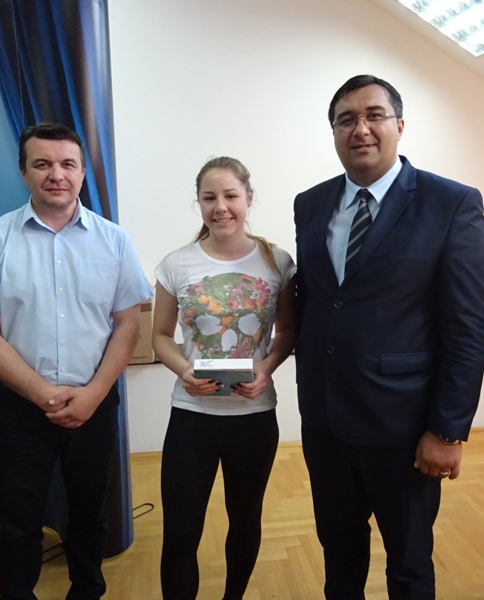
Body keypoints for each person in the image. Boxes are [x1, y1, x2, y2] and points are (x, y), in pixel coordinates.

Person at [293, 74, 484, 599]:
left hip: (404, 429)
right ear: (334, 132)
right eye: (346, 119)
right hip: (325, 422)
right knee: (339, 557)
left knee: (408, 565)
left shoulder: (450, 203)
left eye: (374, 115)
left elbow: (467, 328)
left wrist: (447, 431)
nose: (360, 129)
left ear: (399, 125)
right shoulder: (310, 204)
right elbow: (315, 301)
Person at [0, 122, 153, 600]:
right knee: (19, 523)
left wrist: (93, 394)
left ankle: (87, 592)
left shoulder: (114, 240)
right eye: (42, 164)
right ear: (24, 172)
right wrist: (44, 395)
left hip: (94, 403)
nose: (56, 174)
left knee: (91, 514)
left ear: (81, 172)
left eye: (67, 164)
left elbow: (128, 325)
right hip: (20, 409)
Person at [152, 156, 296, 600]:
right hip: (192, 416)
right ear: (198, 203)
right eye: (209, 197)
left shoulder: (277, 262)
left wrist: (266, 368)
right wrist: (184, 370)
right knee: (180, 532)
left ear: (248, 198)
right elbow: (160, 336)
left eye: (231, 195)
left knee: (245, 519)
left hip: (253, 417)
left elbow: (287, 333)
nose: (221, 207)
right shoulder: (177, 264)